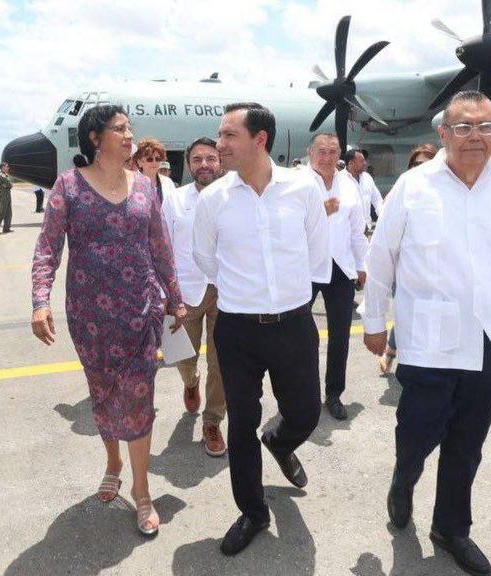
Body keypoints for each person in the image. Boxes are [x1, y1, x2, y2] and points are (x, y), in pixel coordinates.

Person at [362, 91, 491, 576]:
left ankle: (451, 528)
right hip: (430, 342)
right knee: (417, 434)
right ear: (442, 133)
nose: (474, 136)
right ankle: (403, 479)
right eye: (463, 127)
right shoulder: (414, 186)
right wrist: (374, 322)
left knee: (467, 444)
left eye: (485, 128)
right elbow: (381, 259)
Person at [31, 104, 185, 536]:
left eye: (130, 129)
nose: (129, 135)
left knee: (137, 400)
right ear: (95, 138)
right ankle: (113, 461)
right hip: (90, 318)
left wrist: (175, 298)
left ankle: (141, 491)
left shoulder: (144, 188)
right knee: (102, 396)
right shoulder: (69, 186)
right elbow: (47, 247)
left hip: (140, 315)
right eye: (120, 129)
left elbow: (161, 247)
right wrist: (39, 300)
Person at [192, 102, 329, 556]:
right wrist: (244, 294)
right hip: (237, 331)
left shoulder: (302, 188)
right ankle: (253, 511)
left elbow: (316, 253)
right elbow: (205, 258)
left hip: (293, 325)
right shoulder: (214, 200)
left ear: (260, 139)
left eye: (229, 135)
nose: (219, 145)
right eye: (219, 135)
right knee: (242, 423)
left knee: (307, 411)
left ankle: (282, 441)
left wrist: (287, 299)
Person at [162, 137, 227, 456]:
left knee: (222, 363)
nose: (205, 164)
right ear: (188, 164)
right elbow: (160, 248)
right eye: (198, 159)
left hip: (226, 292)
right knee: (182, 357)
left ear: (220, 162)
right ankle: (190, 382)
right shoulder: (174, 200)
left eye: (211, 158)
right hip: (184, 293)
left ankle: (213, 421)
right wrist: (165, 293)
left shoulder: (234, 197)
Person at [306, 133, 367, 420]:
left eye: (333, 151)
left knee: (340, 334)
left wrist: (362, 264)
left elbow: (357, 230)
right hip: (306, 269)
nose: (327, 157)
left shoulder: (349, 185)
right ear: (310, 153)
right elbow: (285, 226)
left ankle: (334, 394)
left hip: (341, 268)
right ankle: (302, 394)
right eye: (322, 151)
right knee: (301, 337)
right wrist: (321, 212)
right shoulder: (297, 182)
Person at [377, 143, 439, 375]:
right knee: (407, 313)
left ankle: (394, 351)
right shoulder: (400, 191)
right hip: (406, 268)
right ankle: (394, 353)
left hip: (438, 271)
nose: (419, 168)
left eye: (425, 164)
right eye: (415, 164)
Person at [341, 149, 383, 230]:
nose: (365, 163)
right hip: (347, 230)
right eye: (361, 161)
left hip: (366, 229)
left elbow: (377, 200)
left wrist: (383, 217)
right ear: (351, 163)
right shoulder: (339, 179)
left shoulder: (367, 178)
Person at [132, 137, 175, 203]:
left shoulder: (168, 182)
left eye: (158, 159)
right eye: (150, 159)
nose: (154, 162)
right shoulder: (131, 182)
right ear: (139, 162)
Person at [0, 161, 13, 234]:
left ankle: (6, 228)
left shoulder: (5, 175)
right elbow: (9, 185)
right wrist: (7, 185)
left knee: (9, 213)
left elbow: (9, 185)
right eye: (6, 166)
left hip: (7, 195)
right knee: (2, 212)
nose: (8, 168)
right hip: (3, 196)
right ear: (3, 167)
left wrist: (7, 185)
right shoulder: (1, 176)